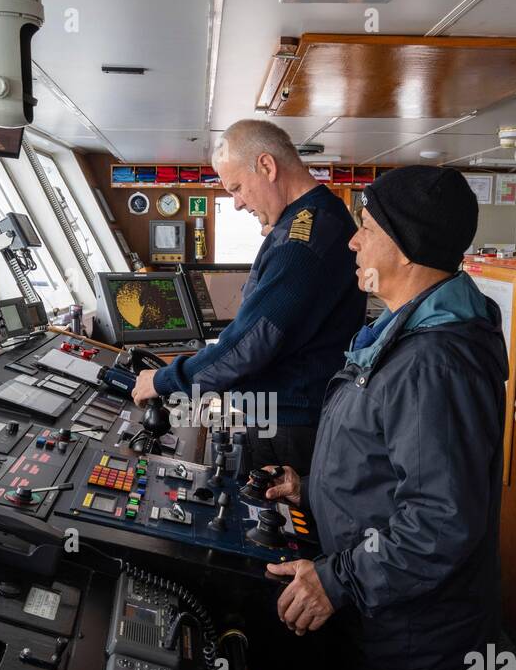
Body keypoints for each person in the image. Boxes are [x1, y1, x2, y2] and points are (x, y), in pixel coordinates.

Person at [263, 165, 507, 670]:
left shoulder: (436, 362)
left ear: (400, 245)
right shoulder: (410, 331)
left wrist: (337, 578)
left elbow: (439, 521)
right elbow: (391, 467)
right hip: (388, 611)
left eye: (365, 229)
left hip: (410, 628)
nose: (352, 244)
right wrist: (309, 485)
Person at [132, 119, 364, 475]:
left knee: (266, 524)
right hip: (294, 411)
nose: (237, 203)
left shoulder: (300, 242)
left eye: (238, 187)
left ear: (267, 166)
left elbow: (250, 344)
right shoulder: (317, 218)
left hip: (289, 423)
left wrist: (164, 380)